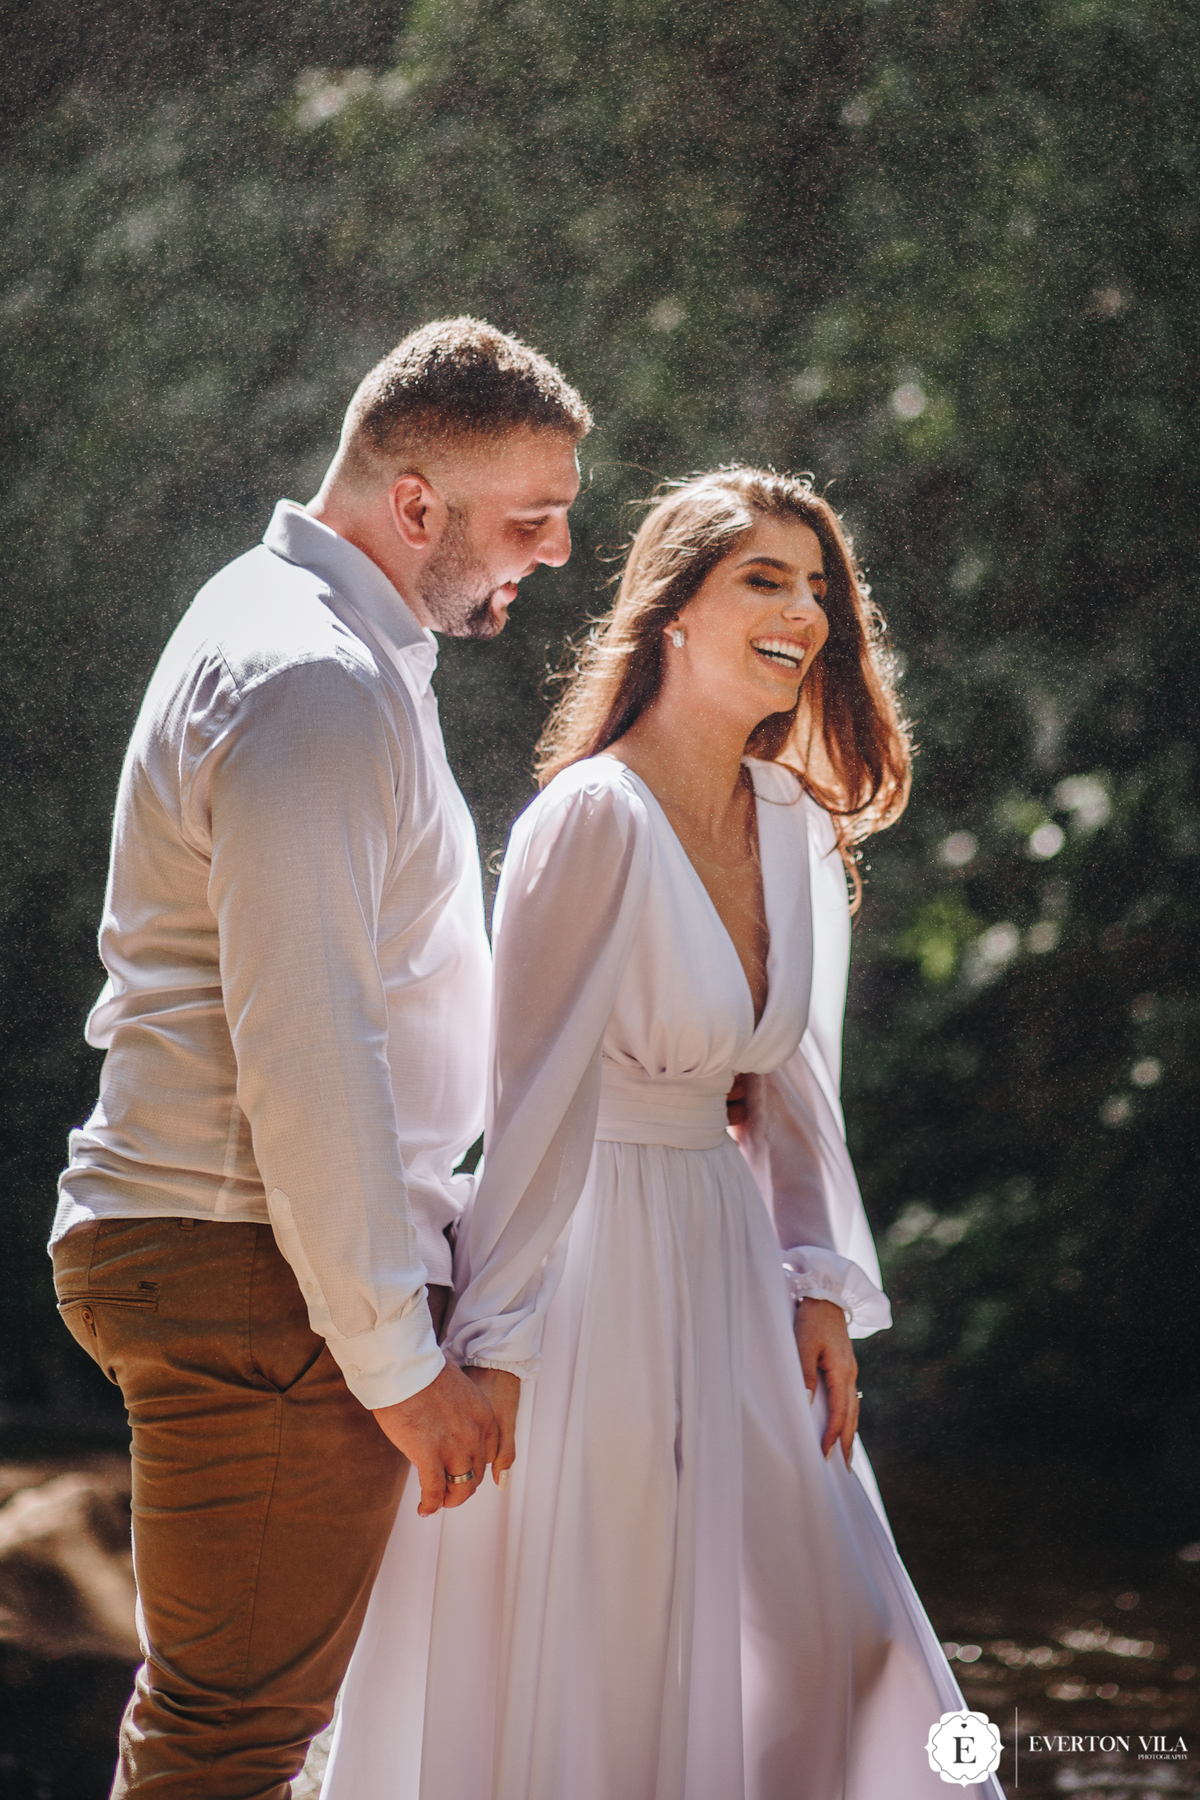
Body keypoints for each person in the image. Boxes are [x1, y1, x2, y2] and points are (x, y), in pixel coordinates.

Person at [322, 466, 1006, 1800]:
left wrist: (816, 1279)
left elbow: (804, 1082)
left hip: (733, 1255)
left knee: (847, 1639)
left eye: (820, 590)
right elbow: (533, 1110)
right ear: (671, 613)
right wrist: (497, 1348)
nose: (804, 612)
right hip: (586, 1264)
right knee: (607, 1639)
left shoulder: (799, 821)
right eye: (766, 579)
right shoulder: (593, 816)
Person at [49, 317, 591, 1798]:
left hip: (239, 1254)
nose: (549, 556)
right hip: (255, 1266)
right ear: (414, 503)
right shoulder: (310, 680)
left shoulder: (303, 635)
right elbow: (310, 1044)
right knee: (231, 1745)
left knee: (244, 1730)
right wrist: (398, 1362)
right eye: (528, 522)